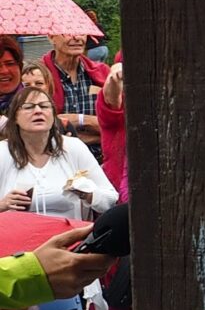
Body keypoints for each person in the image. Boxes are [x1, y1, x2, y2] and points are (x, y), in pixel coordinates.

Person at [0, 85, 118, 224]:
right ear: (14, 117)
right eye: (29, 107)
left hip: (70, 236)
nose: (38, 111)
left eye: (44, 106)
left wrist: (88, 193)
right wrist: (2, 205)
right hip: (19, 236)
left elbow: (110, 200)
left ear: (53, 115)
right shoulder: (3, 152)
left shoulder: (74, 147)